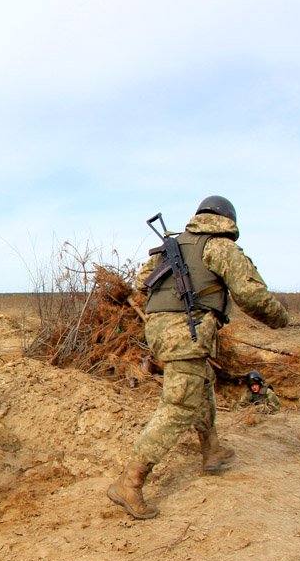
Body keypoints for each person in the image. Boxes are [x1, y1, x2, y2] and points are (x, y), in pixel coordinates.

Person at [107, 195, 289, 520]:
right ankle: (130, 482)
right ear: (228, 221)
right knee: (179, 407)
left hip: (163, 329)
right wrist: (281, 320)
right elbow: (251, 294)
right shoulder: (219, 247)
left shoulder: (173, 245)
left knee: (202, 383)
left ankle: (212, 450)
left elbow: (141, 285)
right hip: (186, 333)